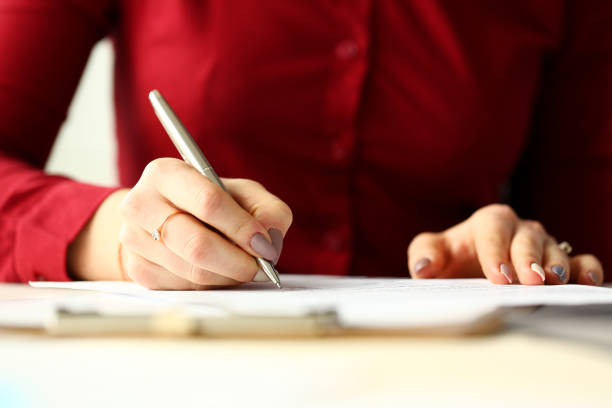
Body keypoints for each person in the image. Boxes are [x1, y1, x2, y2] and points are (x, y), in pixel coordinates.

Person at [0, 1, 609, 289]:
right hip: (177, 374)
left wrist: (520, 261)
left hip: (456, 373)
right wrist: (112, 236)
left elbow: (589, 241)